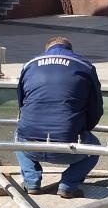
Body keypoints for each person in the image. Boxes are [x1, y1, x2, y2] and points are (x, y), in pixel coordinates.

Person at [15, 36, 103, 199]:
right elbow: (96, 108)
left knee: (18, 135)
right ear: (70, 49)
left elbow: (21, 103)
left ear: (47, 49)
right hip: (68, 146)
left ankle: (31, 182)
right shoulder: (85, 66)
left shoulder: (29, 65)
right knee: (95, 148)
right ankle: (68, 186)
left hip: (30, 146)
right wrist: (83, 129)